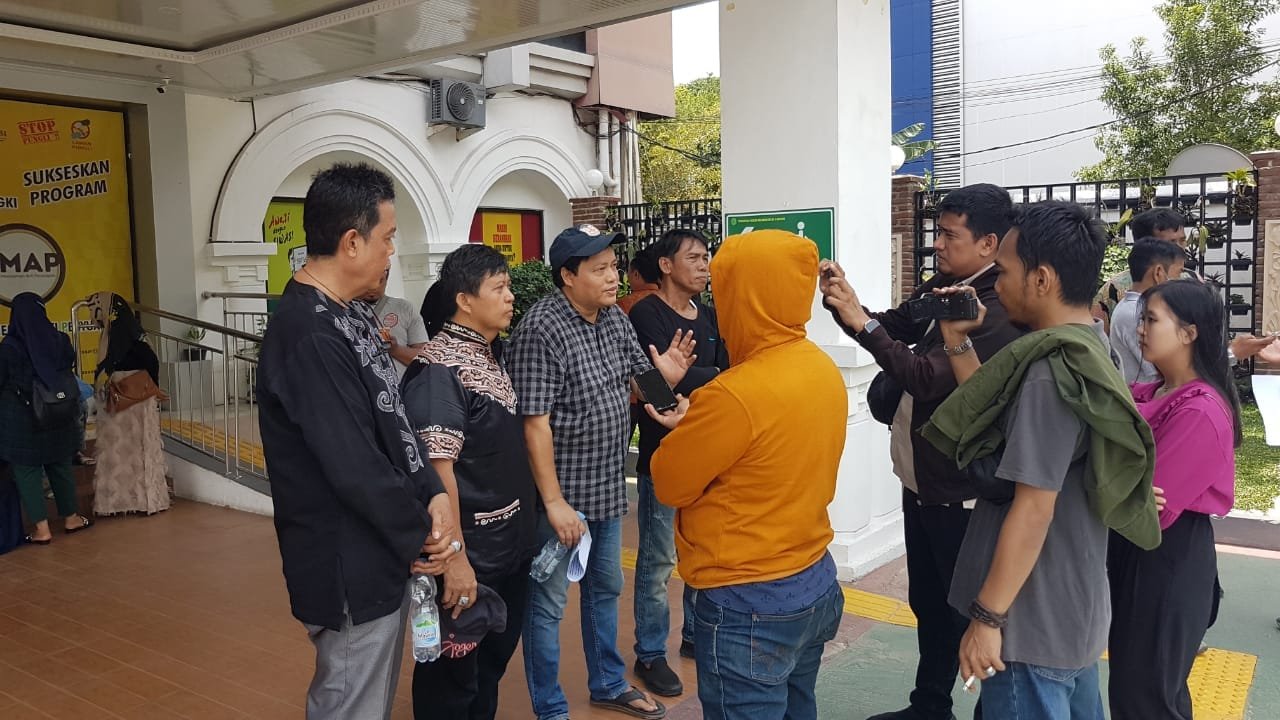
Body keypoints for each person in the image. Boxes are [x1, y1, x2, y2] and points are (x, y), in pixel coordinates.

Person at [919, 200, 1161, 719]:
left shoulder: (1051, 372)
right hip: (1072, 606)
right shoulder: (1091, 347)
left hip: (1029, 620)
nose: (998, 284)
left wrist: (988, 618)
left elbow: (1033, 507)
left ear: (1042, 278)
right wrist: (958, 344)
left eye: (1005, 271)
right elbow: (1014, 432)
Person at [256, 162, 459, 720]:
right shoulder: (308, 333)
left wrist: (432, 491)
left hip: (379, 553)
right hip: (348, 563)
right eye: (387, 237)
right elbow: (355, 464)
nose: (392, 251)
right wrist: (424, 535)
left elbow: (393, 421)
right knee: (351, 704)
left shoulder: (352, 315)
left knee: (369, 701)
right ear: (351, 242)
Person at [821, 183, 1021, 720]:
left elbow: (928, 378)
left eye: (949, 235)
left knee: (972, 613)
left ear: (988, 243)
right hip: (923, 480)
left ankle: (987, 711)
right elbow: (893, 324)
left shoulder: (996, 308)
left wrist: (863, 324)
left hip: (962, 490)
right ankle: (929, 705)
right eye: (938, 232)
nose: (937, 244)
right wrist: (846, 302)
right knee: (929, 603)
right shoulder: (948, 286)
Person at [645, 229, 846, 720]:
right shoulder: (821, 368)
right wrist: (700, 423)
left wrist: (690, 426)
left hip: (748, 599)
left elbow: (669, 483)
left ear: (747, 297)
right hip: (814, 578)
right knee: (799, 707)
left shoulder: (734, 393)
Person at [507, 223, 693, 720]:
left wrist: (667, 393)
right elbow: (534, 424)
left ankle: (608, 683)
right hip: (560, 500)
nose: (614, 277)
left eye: (614, 266)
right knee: (547, 606)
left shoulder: (613, 318)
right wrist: (553, 503)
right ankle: (550, 708)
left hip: (607, 489)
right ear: (568, 276)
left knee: (604, 589)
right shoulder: (541, 330)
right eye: (600, 269)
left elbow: (641, 375)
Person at [402, 244, 539, 720]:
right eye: (498, 288)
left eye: (508, 286)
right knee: (452, 679)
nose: (510, 297)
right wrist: (455, 558)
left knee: (488, 668)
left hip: (506, 548)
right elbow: (438, 470)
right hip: (470, 555)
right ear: (464, 299)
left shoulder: (487, 353)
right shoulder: (439, 370)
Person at [1108, 279, 1239, 720]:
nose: (1140, 329)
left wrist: (1112, 480)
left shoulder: (1200, 410)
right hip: (1139, 553)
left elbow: (1148, 510)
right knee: (1136, 688)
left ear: (1189, 332)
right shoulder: (1149, 393)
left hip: (1166, 558)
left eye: (1151, 319)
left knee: (1147, 696)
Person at [627, 229, 730, 697]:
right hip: (662, 456)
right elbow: (653, 384)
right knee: (658, 560)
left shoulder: (709, 315)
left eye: (706, 257)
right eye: (694, 257)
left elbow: (728, 376)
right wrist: (700, 377)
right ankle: (650, 653)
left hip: (705, 454)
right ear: (666, 265)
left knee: (699, 550)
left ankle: (693, 635)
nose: (704, 266)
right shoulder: (645, 313)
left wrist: (692, 376)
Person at [0, 292, 93, 544]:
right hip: (58, 413)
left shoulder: (9, 348)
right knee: (60, 466)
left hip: (22, 421)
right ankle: (71, 518)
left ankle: (42, 530)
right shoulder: (61, 340)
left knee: (27, 471)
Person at [88, 291, 169, 516]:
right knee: (136, 450)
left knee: (119, 451)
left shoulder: (114, 338)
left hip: (121, 400)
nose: (93, 315)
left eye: (95, 309)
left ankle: (120, 501)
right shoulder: (132, 334)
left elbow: (107, 369)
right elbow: (152, 362)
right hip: (137, 399)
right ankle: (143, 500)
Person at [1109, 238, 1185, 384]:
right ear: (1158, 273)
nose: (1180, 281)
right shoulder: (1135, 312)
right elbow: (1159, 370)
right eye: (1179, 273)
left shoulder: (1133, 307)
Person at [1095, 207, 1191, 323]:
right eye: (1171, 243)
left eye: (1182, 240)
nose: (1179, 248)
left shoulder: (1193, 282)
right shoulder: (1113, 290)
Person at [363, 266, 429, 379]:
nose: (373, 287)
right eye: (368, 281)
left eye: (379, 281)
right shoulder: (345, 311)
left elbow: (425, 358)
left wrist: (396, 350)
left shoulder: (405, 308)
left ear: (386, 278)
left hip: (402, 387)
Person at [618, 245, 661, 315]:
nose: (627, 277)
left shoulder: (623, 304)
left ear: (636, 274)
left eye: (628, 272)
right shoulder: (667, 300)